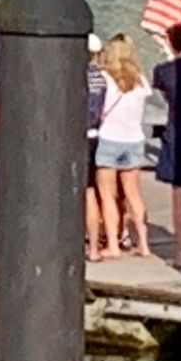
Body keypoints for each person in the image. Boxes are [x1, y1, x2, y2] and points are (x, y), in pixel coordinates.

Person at [94, 34, 153, 260]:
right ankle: (144, 244)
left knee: (108, 195)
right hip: (134, 139)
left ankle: (113, 245)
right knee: (133, 193)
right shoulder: (140, 81)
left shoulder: (106, 79)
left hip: (109, 138)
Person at [152, 23, 181, 267]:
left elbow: (160, 100)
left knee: (178, 195)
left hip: (175, 132)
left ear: (170, 43)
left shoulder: (163, 71)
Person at [83, 32, 108, 259]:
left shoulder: (76, 75)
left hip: (80, 136)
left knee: (84, 191)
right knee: (96, 190)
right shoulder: (103, 77)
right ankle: (97, 244)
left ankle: (88, 244)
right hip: (100, 134)